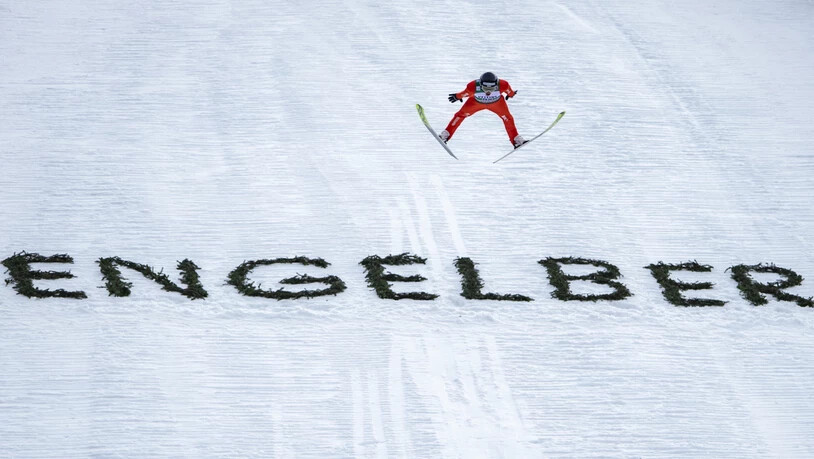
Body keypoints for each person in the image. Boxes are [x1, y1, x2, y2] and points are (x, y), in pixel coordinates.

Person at [440, 72, 527, 148]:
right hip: (476, 103)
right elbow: (465, 93)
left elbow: (510, 92)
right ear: (480, 84)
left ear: (496, 84)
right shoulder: (473, 86)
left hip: (496, 104)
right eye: (485, 87)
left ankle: (516, 140)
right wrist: (457, 96)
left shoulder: (503, 84)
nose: (488, 90)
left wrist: (511, 94)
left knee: (508, 118)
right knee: (460, 115)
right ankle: (445, 134)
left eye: (492, 87)